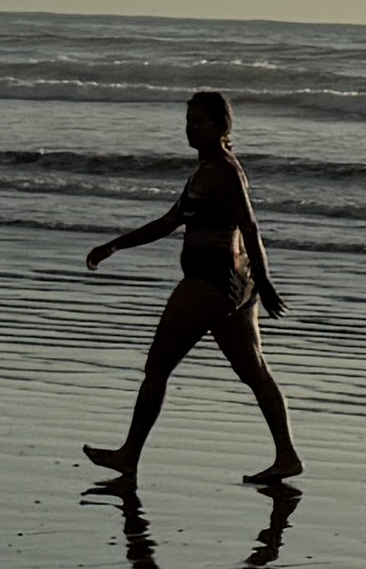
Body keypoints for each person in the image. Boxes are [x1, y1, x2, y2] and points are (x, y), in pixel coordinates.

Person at [84, 87, 303, 494]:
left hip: (210, 281)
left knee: (158, 367)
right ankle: (287, 456)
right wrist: (116, 244)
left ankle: (129, 454)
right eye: (187, 121)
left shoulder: (223, 170)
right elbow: (169, 223)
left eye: (199, 122)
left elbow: (250, 226)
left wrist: (268, 280)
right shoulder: (205, 171)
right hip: (233, 287)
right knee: (254, 372)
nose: (190, 129)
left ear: (221, 127)